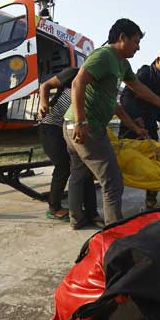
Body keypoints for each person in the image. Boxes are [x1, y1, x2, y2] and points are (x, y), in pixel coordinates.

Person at [63, 18, 160, 229]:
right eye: (135, 41)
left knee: (79, 174)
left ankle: (77, 220)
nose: (138, 47)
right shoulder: (104, 55)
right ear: (122, 38)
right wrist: (81, 121)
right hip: (86, 127)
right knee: (113, 182)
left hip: (78, 125)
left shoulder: (122, 64)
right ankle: (115, 231)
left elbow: (135, 89)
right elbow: (77, 82)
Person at [37, 67, 99, 222]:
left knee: (84, 167)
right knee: (63, 166)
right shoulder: (74, 73)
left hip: (70, 127)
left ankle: (91, 211)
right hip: (50, 125)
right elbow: (45, 85)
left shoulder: (99, 83)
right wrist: (43, 104)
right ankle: (54, 208)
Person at [118, 47, 160, 209]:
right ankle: (113, 200)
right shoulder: (144, 74)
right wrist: (136, 118)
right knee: (122, 162)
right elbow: (126, 96)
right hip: (132, 125)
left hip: (150, 127)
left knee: (155, 161)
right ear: (158, 60)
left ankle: (151, 201)